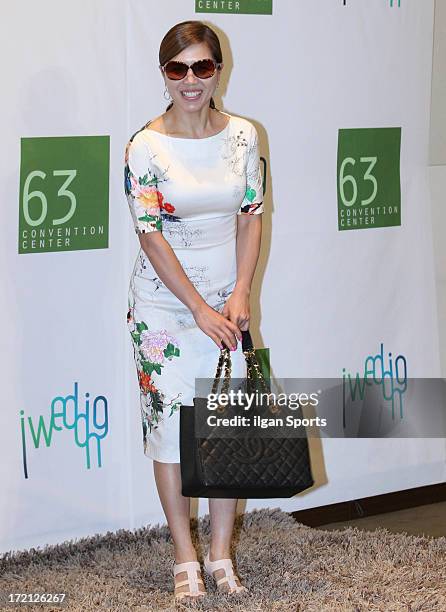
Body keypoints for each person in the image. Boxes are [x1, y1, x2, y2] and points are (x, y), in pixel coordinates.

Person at [124, 20, 264, 602]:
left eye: (202, 67)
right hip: (163, 309)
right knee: (170, 434)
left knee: (224, 432)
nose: (190, 80)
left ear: (217, 71)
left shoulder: (244, 136)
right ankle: (185, 555)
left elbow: (251, 215)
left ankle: (221, 553)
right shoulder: (145, 147)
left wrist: (240, 295)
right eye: (178, 69)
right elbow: (151, 235)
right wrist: (198, 308)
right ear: (164, 74)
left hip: (227, 309)